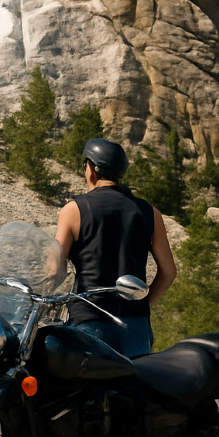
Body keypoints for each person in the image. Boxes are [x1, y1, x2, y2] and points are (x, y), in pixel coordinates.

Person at [55, 138, 177, 357]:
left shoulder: (73, 211)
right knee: (131, 389)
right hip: (135, 323)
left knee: (83, 389)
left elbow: (53, 269)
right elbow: (168, 272)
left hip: (89, 320)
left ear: (90, 169)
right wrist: (142, 303)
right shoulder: (150, 213)